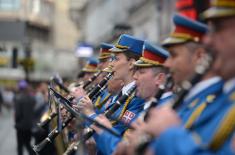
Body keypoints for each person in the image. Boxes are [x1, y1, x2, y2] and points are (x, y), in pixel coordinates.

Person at [77, 34, 145, 155]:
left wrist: (90, 114)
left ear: (131, 64)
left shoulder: (138, 98)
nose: (111, 64)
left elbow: (117, 138)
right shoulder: (120, 95)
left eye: (116, 59)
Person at [14, 80, 36, 155]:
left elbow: (18, 114)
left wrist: (16, 122)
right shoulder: (32, 98)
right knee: (27, 143)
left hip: (20, 126)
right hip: (29, 125)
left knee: (20, 145)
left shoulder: (18, 98)